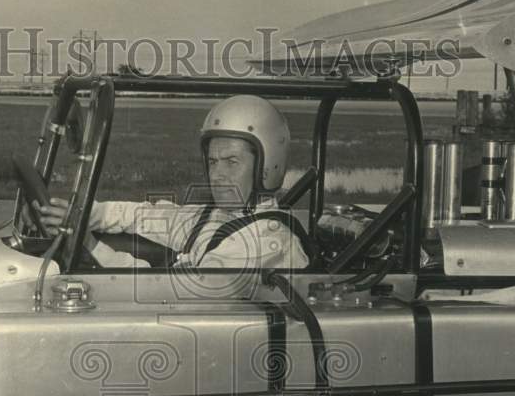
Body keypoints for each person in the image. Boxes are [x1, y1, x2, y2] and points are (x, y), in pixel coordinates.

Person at [33, 95, 310, 270]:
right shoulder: (214, 216)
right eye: (212, 162)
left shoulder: (264, 243)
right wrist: (80, 214)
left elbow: (172, 297)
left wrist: (92, 246)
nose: (217, 174)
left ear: (266, 166)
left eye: (231, 162)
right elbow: (143, 216)